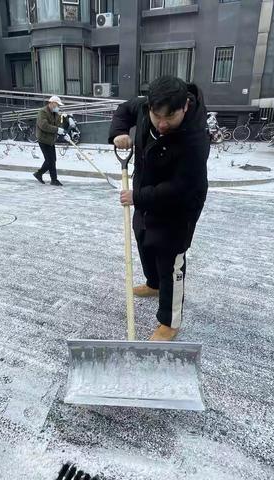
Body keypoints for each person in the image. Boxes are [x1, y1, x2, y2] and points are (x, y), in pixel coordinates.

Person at [109, 76, 209, 341]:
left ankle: (170, 321)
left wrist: (138, 197)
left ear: (185, 107)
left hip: (179, 208)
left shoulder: (196, 139)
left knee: (170, 259)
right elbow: (124, 110)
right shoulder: (144, 107)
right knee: (144, 240)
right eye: (157, 116)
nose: (162, 124)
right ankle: (153, 285)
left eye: (171, 117)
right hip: (143, 196)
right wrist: (120, 132)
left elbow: (181, 187)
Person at [34, 95, 70, 186]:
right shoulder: (42, 112)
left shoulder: (56, 114)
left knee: (52, 160)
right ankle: (54, 180)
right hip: (43, 139)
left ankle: (39, 174)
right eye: (57, 105)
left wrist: (63, 133)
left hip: (51, 140)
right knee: (50, 160)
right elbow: (44, 126)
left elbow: (58, 125)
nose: (58, 107)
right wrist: (57, 130)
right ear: (52, 103)